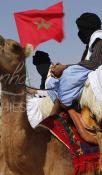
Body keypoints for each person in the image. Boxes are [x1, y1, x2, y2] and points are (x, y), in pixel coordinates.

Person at [47, 12, 102, 144]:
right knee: (52, 82)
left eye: (80, 30)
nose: (79, 34)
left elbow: (94, 63)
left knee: (68, 74)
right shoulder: (89, 44)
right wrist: (60, 70)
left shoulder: (99, 38)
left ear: (88, 29)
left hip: (96, 72)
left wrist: (65, 68)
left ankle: (74, 116)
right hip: (88, 72)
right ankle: (64, 111)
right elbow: (82, 64)